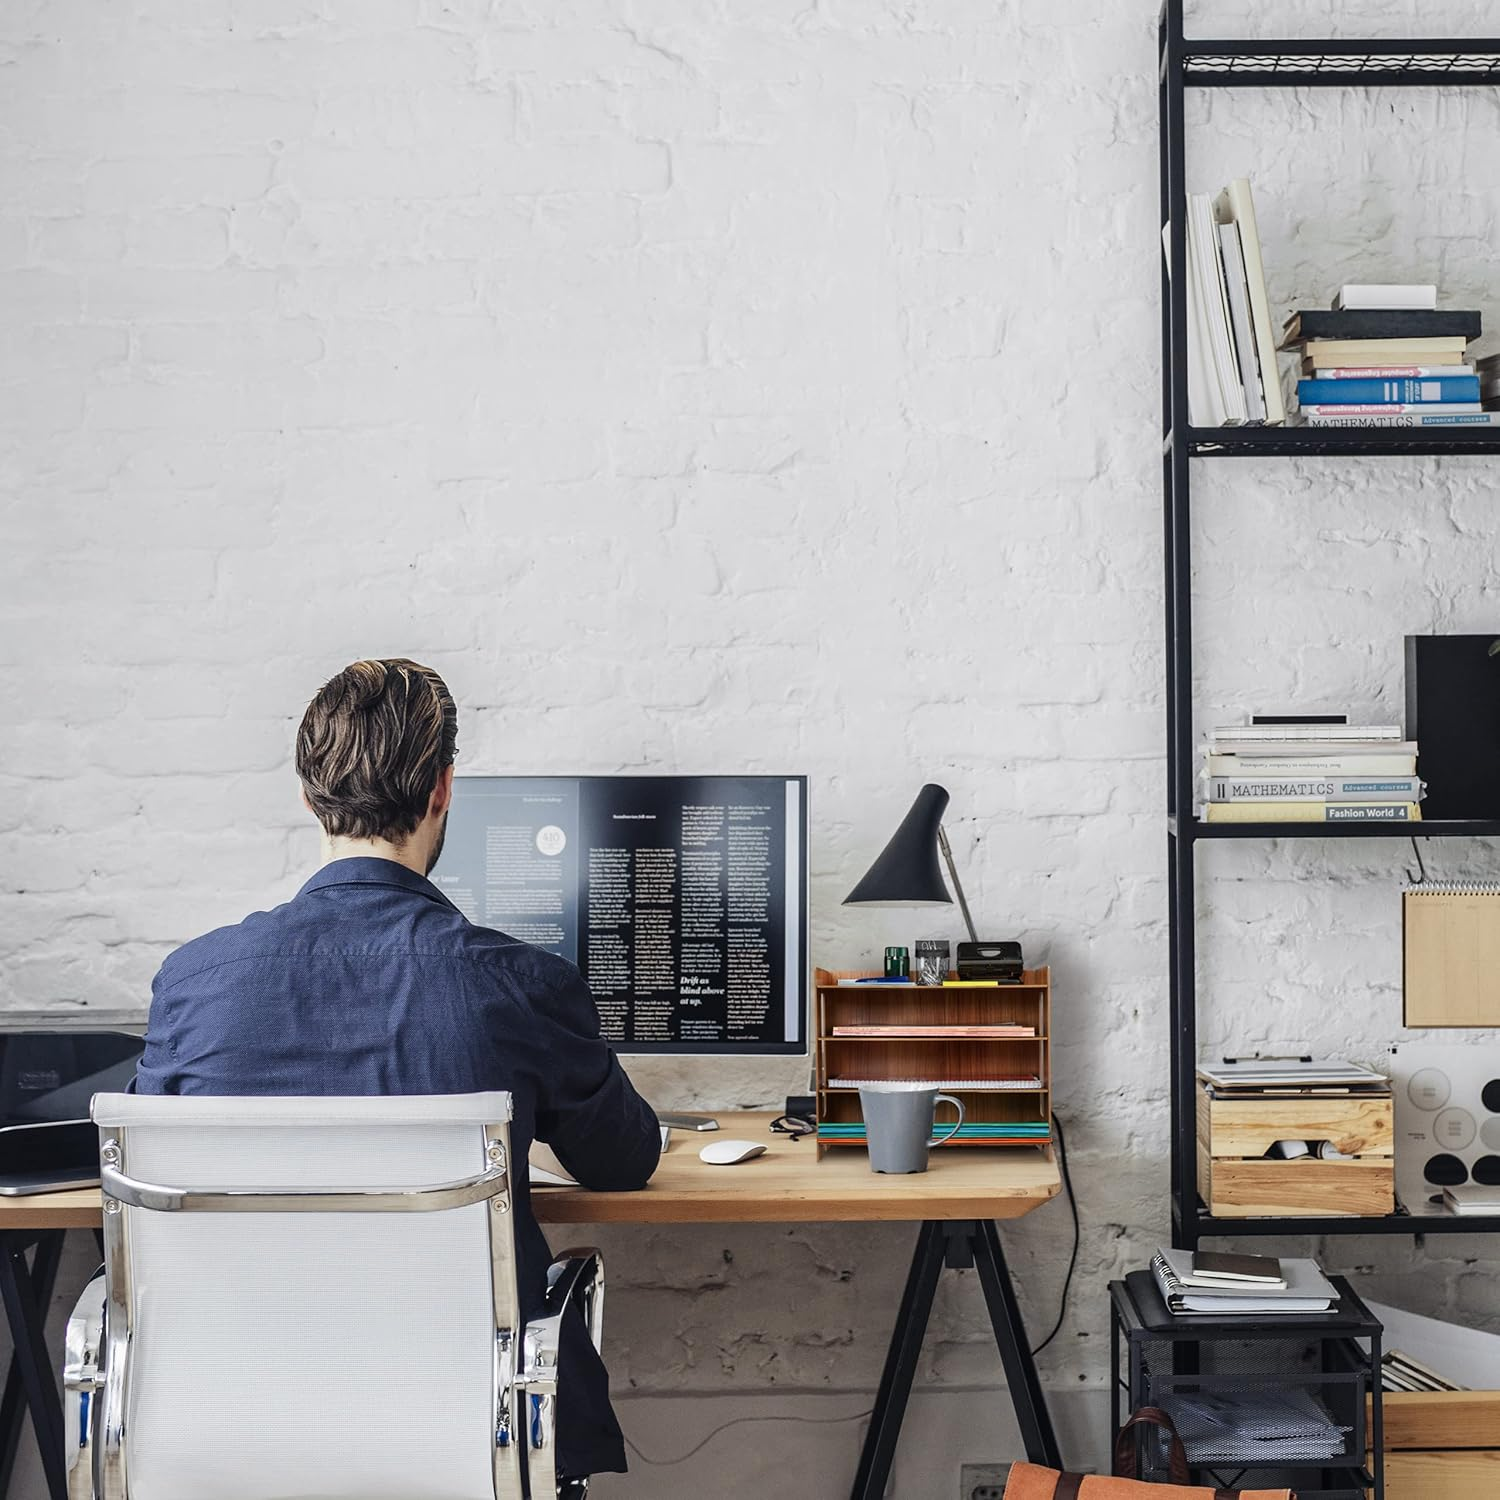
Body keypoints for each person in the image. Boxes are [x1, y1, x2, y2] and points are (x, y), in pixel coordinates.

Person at [137, 657, 661, 1486]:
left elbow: (146, 1187)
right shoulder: (521, 984)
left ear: (309, 797)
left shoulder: (195, 982)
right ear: (443, 790)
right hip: (464, 1429)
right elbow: (626, 1161)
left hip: (242, 1420)